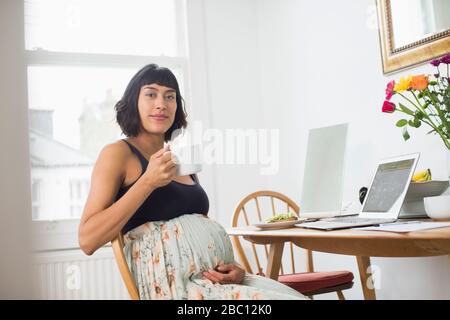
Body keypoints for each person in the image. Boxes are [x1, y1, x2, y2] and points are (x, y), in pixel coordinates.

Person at [78, 64, 306, 300]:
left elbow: (200, 236)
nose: (161, 104)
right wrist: (147, 182)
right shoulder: (118, 153)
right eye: (151, 94)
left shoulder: (178, 161)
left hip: (216, 283)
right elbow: (87, 240)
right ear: (133, 101)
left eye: (170, 96)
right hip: (176, 290)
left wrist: (235, 269)